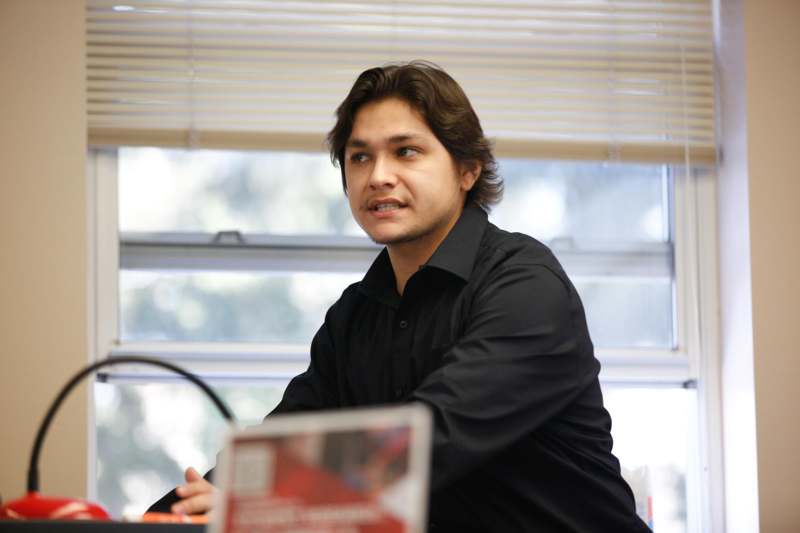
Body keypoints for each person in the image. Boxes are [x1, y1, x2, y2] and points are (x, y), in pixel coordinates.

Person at [151, 61, 651, 532]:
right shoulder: (355, 314)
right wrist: (161, 517)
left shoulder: (525, 282)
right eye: (360, 156)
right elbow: (282, 444)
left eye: (406, 151)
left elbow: (431, 438)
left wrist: (252, 500)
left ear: (467, 170)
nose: (378, 176)